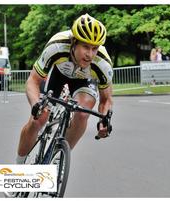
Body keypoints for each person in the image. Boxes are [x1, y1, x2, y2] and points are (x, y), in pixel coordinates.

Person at [16, 14, 113, 164]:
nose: (90, 54)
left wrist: (104, 120)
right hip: (58, 75)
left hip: (84, 81)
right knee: (38, 120)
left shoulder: (103, 62)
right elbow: (33, 81)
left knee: (82, 113)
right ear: (74, 42)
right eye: (85, 47)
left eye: (95, 48)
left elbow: (106, 99)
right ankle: (19, 164)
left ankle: (58, 157)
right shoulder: (57, 46)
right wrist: (36, 104)